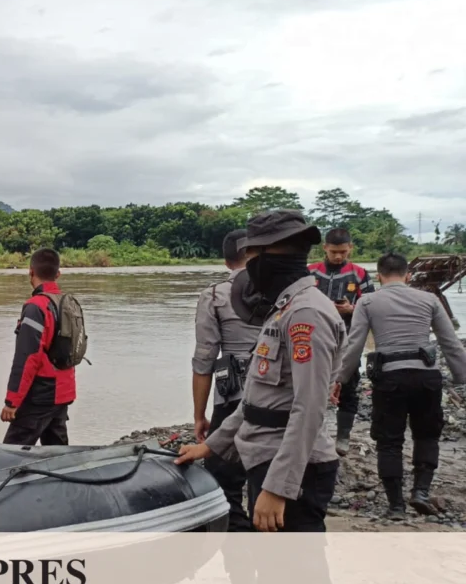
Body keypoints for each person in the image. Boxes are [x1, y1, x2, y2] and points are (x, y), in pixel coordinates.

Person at [176, 209, 344, 533]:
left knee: (293, 576)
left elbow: (309, 408)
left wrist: (279, 487)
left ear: (270, 256)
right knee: (273, 572)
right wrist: (211, 445)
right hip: (266, 457)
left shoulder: (306, 314)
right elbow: (255, 400)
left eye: (251, 255)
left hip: (291, 466)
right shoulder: (283, 309)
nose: (248, 266)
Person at [333, 252, 466, 519]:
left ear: (379, 277)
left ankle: (395, 506)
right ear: (408, 276)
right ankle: (421, 492)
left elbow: (354, 345)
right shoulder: (429, 299)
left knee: (389, 442)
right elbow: (450, 343)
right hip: (426, 378)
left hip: (390, 380)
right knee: (427, 435)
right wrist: (462, 380)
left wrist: (339, 379)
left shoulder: (367, 301)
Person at [191, 229, 259, 532]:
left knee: (222, 478)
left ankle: (239, 561)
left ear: (226, 259)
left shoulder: (215, 294)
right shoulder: (289, 292)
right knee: (267, 474)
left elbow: (204, 361)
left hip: (232, 395)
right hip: (283, 395)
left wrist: (198, 415)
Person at [0, 248, 77, 445]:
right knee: (56, 451)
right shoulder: (65, 303)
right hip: (63, 390)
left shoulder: (36, 307)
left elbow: (27, 357)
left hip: (41, 394)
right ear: (58, 274)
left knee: (11, 453)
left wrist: (12, 401)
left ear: (31, 272)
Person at [308, 227, 374, 455]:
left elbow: (372, 308)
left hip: (348, 340)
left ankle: (343, 437)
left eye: (343, 252)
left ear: (350, 249)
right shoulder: (310, 272)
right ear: (324, 248)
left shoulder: (360, 274)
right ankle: (311, 433)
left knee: (348, 387)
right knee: (308, 386)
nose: (338, 256)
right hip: (313, 338)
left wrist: (352, 308)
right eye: (334, 251)